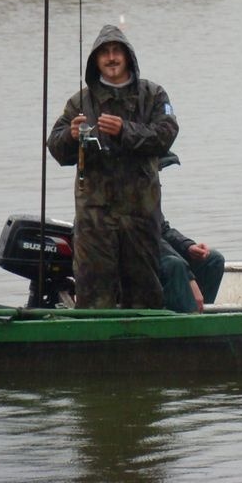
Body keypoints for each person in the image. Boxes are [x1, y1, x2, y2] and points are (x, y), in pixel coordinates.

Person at [47, 24, 178, 309]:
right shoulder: (79, 102)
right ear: (96, 61)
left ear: (128, 56)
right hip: (94, 222)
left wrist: (125, 131)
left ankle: (145, 349)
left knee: (144, 295)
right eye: (104, 53)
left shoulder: (153, 95)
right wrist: (71, 135)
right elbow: (55, 146)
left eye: (116, 51)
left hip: (140, 218)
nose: (111, 58)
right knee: (94, 298)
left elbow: (166, 134)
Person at [159, 217, 225, 313]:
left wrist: (188, 246)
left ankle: (201, 316)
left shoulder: (150, 204)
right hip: (138, 266)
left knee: (214, 260)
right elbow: (147, 238)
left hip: (162, 255)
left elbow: (163, 230)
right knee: (175, 265)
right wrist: (189, 278)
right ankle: (187, 320)